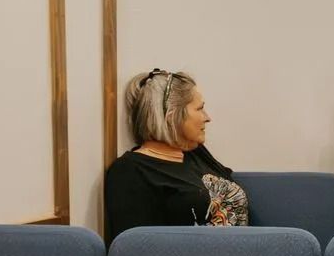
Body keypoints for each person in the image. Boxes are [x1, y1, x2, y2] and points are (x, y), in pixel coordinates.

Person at [103, 69, 248, 240]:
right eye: (200, 109)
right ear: (172, 117)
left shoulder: (194, 151)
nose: (207, 117)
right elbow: (134, 248)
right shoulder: (130, 172)